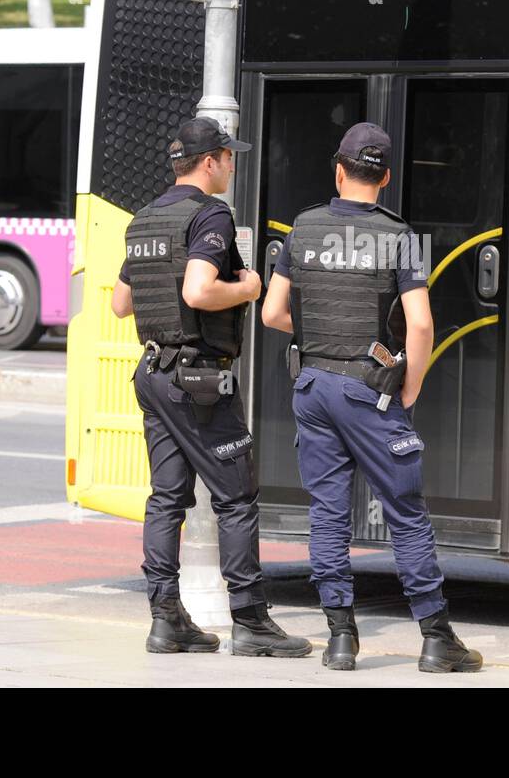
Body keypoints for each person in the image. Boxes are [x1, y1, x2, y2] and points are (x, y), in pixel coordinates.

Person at [260, 122, 482, 674]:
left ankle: (340, 638)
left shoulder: (304, 228)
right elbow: (422, 326)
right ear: (385, 177)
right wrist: (411, 382)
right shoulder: (401, 236)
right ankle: (436, 638)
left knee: (328, 513)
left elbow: (270, 314)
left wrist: (318, 341)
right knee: (405, 512)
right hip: (370, 390)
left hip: (312, 385)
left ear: (339, 171)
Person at [110, 116, 311, 658]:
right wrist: (248, 285)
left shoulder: (146, 218)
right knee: (237, 496)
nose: (233, 164)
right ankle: (250, 621)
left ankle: (165, 618)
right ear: (209, 162)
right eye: (229, 156)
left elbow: (120, 302)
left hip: (153, 373)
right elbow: (200, 291)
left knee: (167, 497)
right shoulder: (210, 215)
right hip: (199, 377)